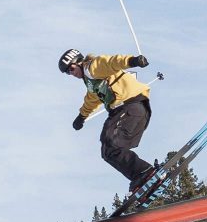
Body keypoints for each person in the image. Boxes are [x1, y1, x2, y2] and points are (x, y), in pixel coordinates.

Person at [60, 49, 155, 191]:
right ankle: (140, 177)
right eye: (68, 73)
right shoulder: (91, 82)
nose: (72, 74)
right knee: (107, 151)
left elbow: (112, 62)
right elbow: (91, 100)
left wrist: (132, 61)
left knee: (111, 143)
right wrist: (81, 116)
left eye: (71, 69)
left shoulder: (92, 67)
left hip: (129, 105)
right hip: (129, 111)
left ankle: (145, 172)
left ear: (79, 62)